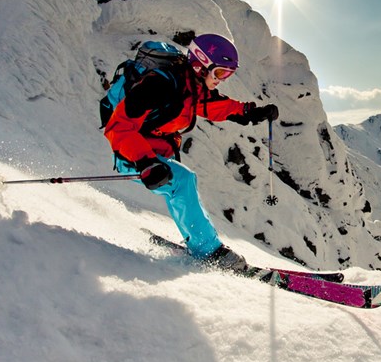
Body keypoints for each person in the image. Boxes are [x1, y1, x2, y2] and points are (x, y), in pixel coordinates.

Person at [103, 33, 279, 272]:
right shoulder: (159, 84)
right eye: (219, 73)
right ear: (200, 64)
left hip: (154, 153)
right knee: (183, 181)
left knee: (183, 185)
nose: (222, 80)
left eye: (228, 74)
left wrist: (251, 112)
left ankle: (199, 239)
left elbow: (216, 106)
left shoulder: (190, 86)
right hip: (133, 153)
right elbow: (119, 127)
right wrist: (146, 163)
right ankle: (208, 251)